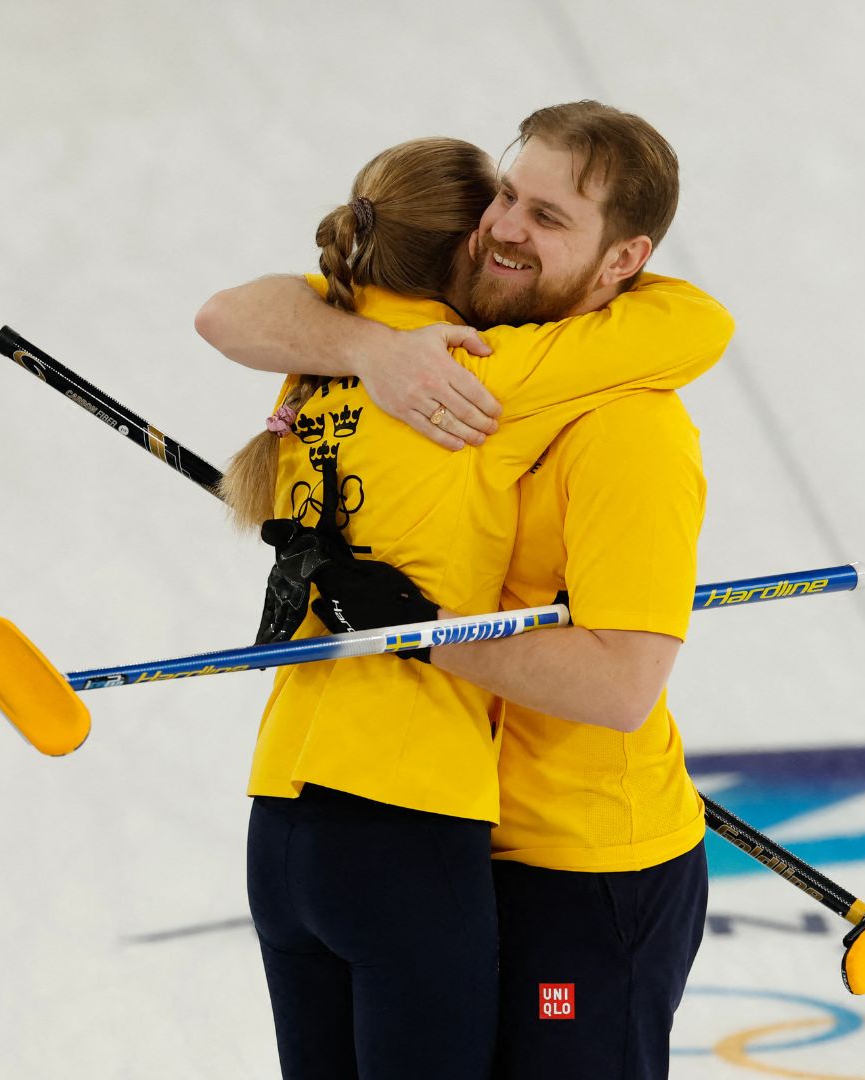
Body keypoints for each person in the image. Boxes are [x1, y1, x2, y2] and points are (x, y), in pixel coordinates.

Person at [195, 129, 732, 1079]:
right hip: (470, 840)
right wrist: (376, 350)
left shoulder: (618, 417)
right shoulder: (440, 360)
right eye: (505, 198)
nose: (504, 229)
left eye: (547, 215)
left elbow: (620, 688)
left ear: (626, 260)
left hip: (584, 860)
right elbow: (235, 313)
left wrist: (410, 630)